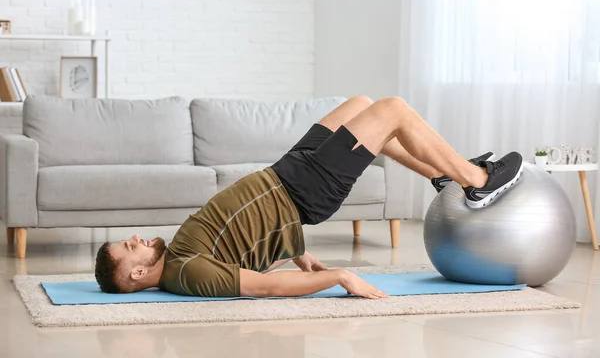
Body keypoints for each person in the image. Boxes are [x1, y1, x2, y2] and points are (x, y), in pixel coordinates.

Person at [94, 96, 523, 299]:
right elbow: (265, 286)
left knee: (359, 104)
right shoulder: (188, 275)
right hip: (304, 190)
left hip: (286, 173)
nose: (137, 238)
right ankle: (474, 179)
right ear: (135, 276)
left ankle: (440, 176)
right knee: (392, 110)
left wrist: (297, 250)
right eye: (131, 248)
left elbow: (244, 233)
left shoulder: (179, 257)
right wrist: (341, 277)